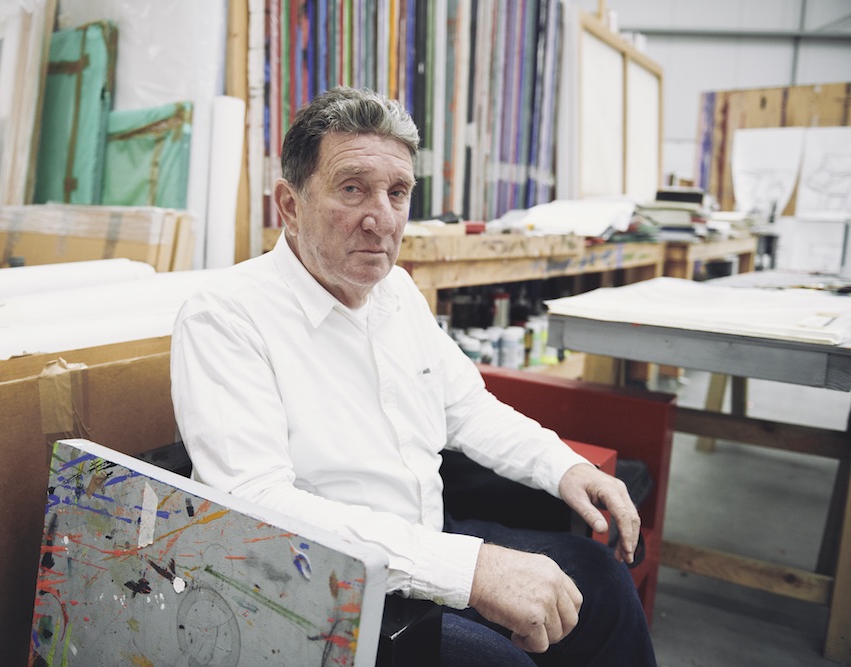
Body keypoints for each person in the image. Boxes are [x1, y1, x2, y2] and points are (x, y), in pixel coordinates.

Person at [170, 86, 657, 666]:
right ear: (290, 204)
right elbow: (257, 504)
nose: (381, 219)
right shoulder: (225, 315)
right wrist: (471, 569)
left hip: (426, 536)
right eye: (352, 189)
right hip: (319, 585)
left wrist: (563, 465)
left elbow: (467, 407)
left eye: (397, 192)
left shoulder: (394, 291)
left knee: (600, 582)